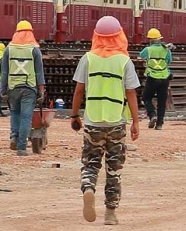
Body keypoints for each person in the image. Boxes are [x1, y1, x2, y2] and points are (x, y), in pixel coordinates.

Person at [70, 16, 140, 226]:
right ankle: (110, 213)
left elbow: (79, 90)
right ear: (120, 36)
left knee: (90, 164)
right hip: (116, 121)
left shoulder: (88, 58)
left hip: (93, 121)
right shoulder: (124, 61)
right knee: (114, 169)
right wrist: (136, 122)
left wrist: (74, 116)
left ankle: (89, 188)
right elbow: (131, 94)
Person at [0, 20, 45, 156]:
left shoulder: (8, 49)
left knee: (14, 113)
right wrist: (41, 90)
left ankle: (14, 137)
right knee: (26, 117)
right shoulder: (34, 50)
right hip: (29, 88)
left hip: (12, 87)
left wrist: (2, 90)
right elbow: (39, 72)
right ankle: (21, 147)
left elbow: (4, 72)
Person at [139, 28, 172, 130]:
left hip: (152, 77)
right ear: (160, 39)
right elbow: (169, 61)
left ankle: (152, 115)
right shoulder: (166, 49)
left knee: (146, 98)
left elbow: (141, 56)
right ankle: (159, 124)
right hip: (164, 77)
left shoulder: (148, 50)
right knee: (162, 101)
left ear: (150, 39)